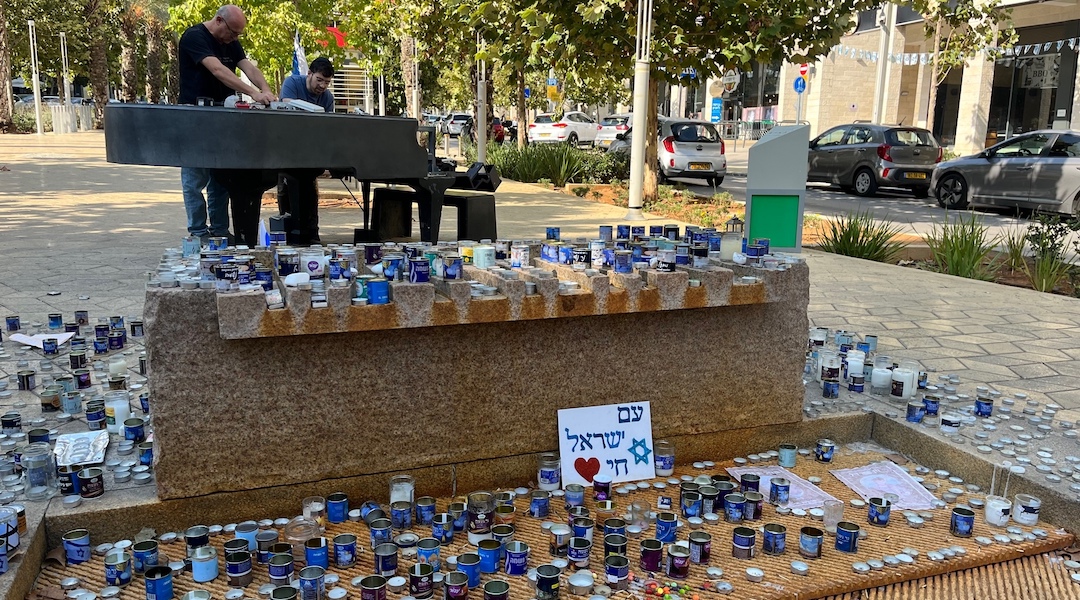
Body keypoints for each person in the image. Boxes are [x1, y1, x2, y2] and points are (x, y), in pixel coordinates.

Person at [177, 4, 277, 244]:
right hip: (196, 115)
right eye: (233, 32)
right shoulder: (194, 37)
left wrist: (266, 90)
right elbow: (218, 70)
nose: (234, 38)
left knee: (221, 178)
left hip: (222, 115)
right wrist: (253, 93)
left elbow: (248, 67)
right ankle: (198, 232)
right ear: (219, 21)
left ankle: (220, 230)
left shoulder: (230, 41)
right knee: (194, 177)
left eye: (238, 35)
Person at [276, 57, 336, 244]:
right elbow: (286, 105)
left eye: (327, 82)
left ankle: (311, 232)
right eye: (319, 80)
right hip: (286, 148)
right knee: (287, 189)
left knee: (309, 191)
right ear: (309, 74)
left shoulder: (328, 98)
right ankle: (291, 231)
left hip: (310, 151)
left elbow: (327, 126)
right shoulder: (292, 82)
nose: (322, 86)